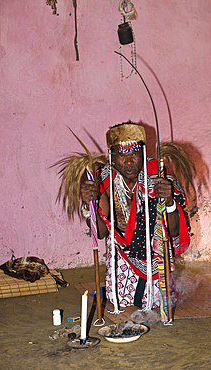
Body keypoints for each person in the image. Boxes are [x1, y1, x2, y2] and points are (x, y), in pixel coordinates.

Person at [80, 121, 192, 318]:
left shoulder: (159, 176)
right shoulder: (103, 181)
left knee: (156, 303)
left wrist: (168, 201)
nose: (129, 161)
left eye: (134, 154)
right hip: (121, 261)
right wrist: (89, 205)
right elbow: (101, 233)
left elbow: (174, 231)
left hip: (155, 256)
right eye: (121, 155)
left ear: (143, 152)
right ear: (111, 156)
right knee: (119, 301)